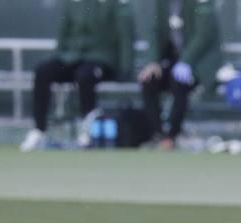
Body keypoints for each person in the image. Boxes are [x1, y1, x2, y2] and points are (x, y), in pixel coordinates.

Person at [20, 0, 135, 152]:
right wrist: (60, 56)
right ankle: (39, 129)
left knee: (85, 76)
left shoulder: (114, 4)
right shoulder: (73, 4)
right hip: (71, 57)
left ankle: (87, 129)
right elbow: (64, 32)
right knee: (42, 72)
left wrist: (125, 69)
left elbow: (125, 36)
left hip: (100, 60)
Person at [140, 0, 222, 149]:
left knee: (178, 82)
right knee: (149, 81)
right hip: (173, 62)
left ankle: (173, 134)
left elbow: (204, 36)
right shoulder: (162, 4)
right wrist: (153, 62)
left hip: (199, 64)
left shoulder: (200, 3)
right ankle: (158, 134)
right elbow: (154, 31)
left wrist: (186, 61)